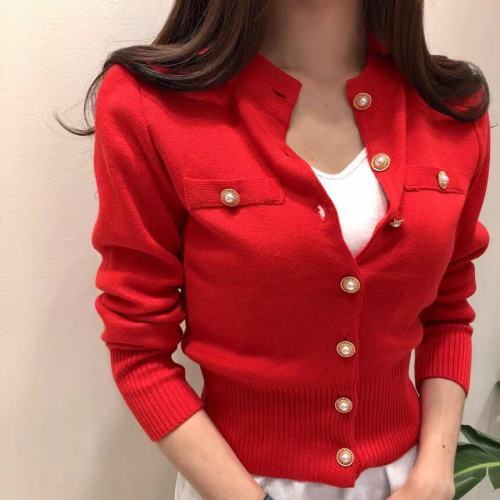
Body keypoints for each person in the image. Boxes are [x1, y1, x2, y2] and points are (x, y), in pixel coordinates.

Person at [57, 1, 492, 499]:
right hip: (235, 485)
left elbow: (448, 309)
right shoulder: (151, 105)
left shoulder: (450, 108)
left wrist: (434, 474)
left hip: (408, 482)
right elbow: (138, 350)